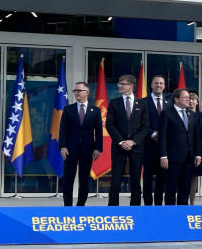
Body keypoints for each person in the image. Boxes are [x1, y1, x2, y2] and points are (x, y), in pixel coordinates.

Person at [106, 74, 149, 206]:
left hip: (136, 148)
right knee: (116, 181)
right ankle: (113, 210)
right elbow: (110, 125)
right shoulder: (114, 103)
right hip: (119, 147)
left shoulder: (142, 103)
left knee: (136, 181)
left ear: (131, 86)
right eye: (119, 83)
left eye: (122, 84)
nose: (119, 86)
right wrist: (122, 142)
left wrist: (133, 141)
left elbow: (145, 126)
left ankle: (135, 209)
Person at [58, 81, 102, 206]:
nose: (76, 93)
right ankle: (68, 206)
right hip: (70, 149)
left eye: (79, 91)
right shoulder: (68, 109)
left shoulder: (95, 110)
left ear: (86, 92)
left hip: (87, 150)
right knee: (68, 179)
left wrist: (98, 148)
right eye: (75, 91)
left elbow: (99, 131)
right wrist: (63, 146)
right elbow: (63, 129)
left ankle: (80, 205)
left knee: (84, 180)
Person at [159, 88, 202, 206]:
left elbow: (196, 136)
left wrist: (198, 154)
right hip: (173, 159)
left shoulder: (191, 114)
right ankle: (170, 217)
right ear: (176, 99)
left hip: (189, 159)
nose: (189, 100)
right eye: (185, 97)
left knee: (184, 192)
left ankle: (182, 216)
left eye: (189, 97)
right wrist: (163, 156)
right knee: (171, 191)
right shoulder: (167, 114)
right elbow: (162, 137)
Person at [142, 74, 168, 206]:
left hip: (164, 148)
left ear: (164, 86)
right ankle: (147, 205)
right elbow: (140, 123)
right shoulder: (143, 102)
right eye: (156, 83)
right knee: (147, 178)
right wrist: (152, 134)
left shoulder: (169, 103)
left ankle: (158, 205)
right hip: (148, 146)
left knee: (161, 179)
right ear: (151, 85)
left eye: (161, 83)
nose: (159, 85)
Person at [187, 92, 202, 205]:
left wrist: (198, 149)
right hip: (183, 150)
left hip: (197, 151)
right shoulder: (182, 114)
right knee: (183, 177)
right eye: (189, 99)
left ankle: (192, 203)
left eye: (193, 99)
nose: (191, 101)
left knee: (194, 177)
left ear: (197, 102)